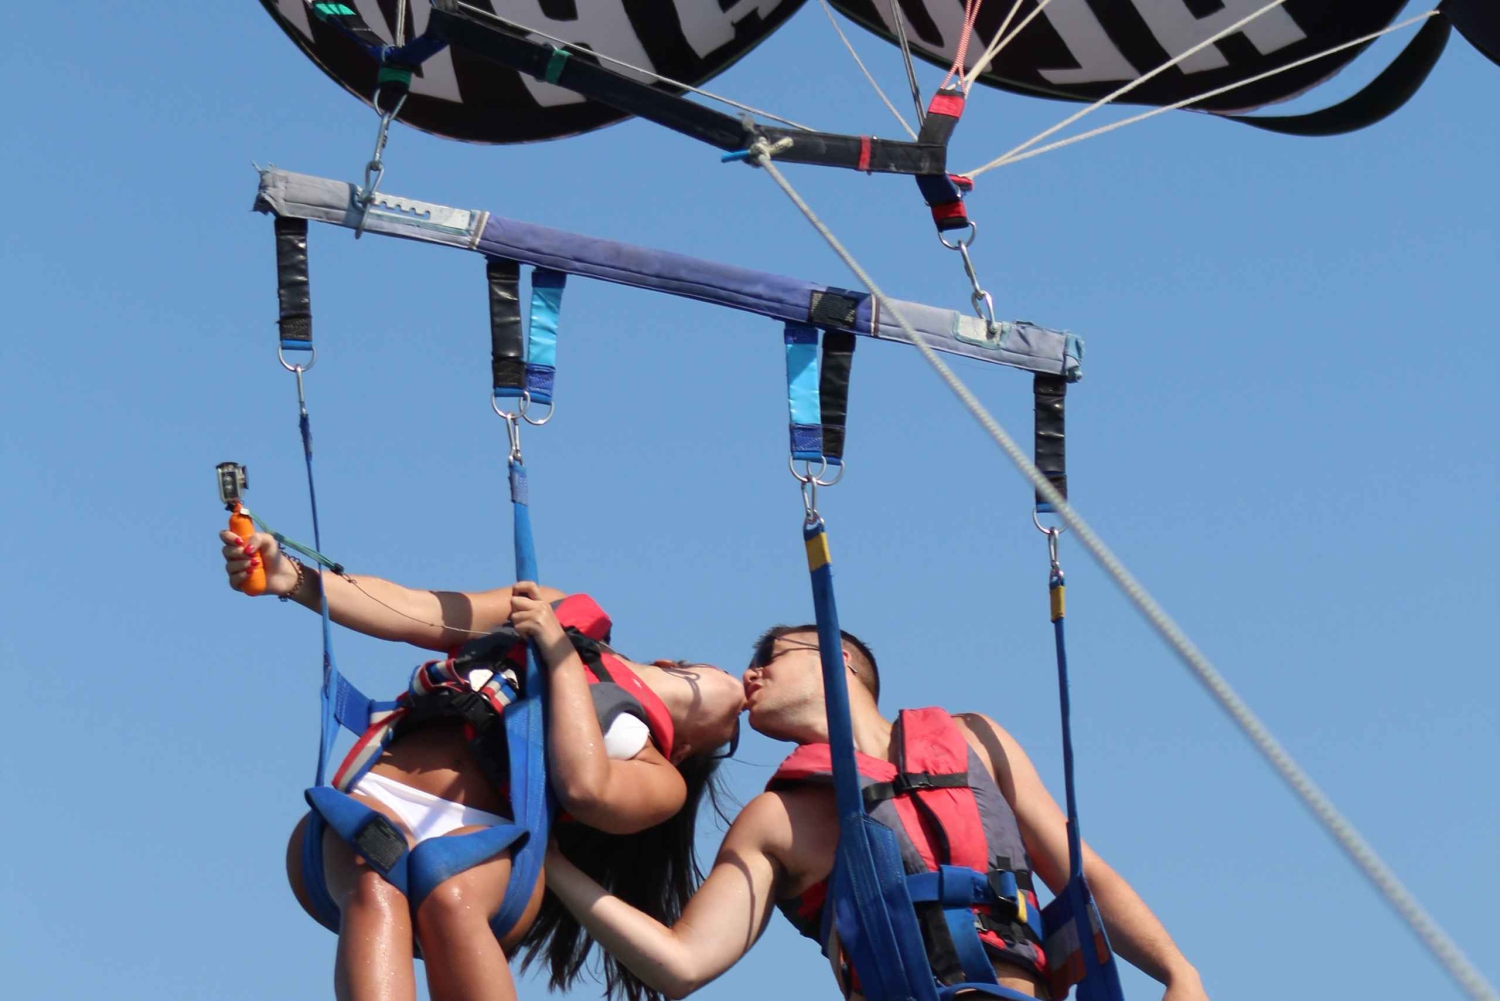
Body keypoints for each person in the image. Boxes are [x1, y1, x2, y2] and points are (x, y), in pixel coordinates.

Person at [544, 625, 1210, 1001]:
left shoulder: (977, 740)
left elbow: (1084, 877)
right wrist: (547, 862)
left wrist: (1178, 972)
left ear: (837, 657)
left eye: (769, 658)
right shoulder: (777, 820)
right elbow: (680, 964)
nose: (750, 676)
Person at [219, 529, 744, 1001]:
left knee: (450, 895)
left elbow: (586, 788)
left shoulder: (661, 778)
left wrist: (559, 656)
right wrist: (295, 580)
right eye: (733, 672)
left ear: (687, 749)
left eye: (736, 728)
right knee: (375, 876)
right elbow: (419, 611)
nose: (746, 692)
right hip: (377, 798)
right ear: (671, 663)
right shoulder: (554, 608)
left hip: (484, 843)